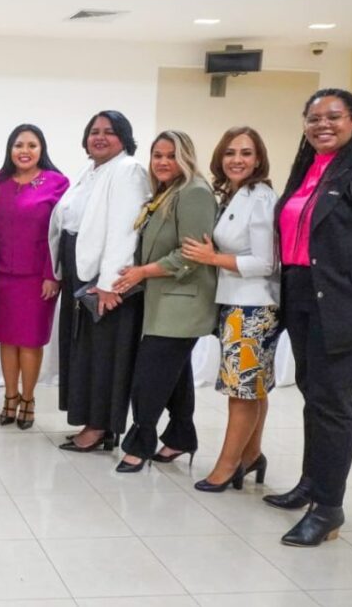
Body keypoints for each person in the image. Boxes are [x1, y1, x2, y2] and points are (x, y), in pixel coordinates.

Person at [266, 89, 352, 546]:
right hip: (305, 296)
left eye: (334, 117)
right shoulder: (309, 166)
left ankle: (328, 508)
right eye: (314, 118)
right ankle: (312, 483)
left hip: (348, 305)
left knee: (332, 404)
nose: (323, 124)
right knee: (313, 393)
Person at [181, 127, 280, 492]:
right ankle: (251, 456)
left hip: (253, 305)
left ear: (259, 159)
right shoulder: (233, 195)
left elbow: (265, 262)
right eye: (230, 153)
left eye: (246, 153)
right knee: (253, 388)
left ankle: (227, 466)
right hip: (235, 301)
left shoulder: (261, 197)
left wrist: (212, 258)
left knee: (241, 392)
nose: (237, 159)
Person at [112, 130, 218, 473]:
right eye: (157, 155)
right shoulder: (167, 193)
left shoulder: (195, 193)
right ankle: (181, 436)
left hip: (183, 300)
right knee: (175, 372)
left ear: (185, 157)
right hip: (163, 298)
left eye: (170, 155)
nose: (162, 162)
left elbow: (191, 256)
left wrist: (143, 271)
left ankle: (140, 442)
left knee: (151, 374)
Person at [50, 111, 150, 452]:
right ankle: (90, 418)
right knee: (83, 350)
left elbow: (126, 229)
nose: (100, 137)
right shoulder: (90, 170)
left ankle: (100, 426)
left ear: (124, 136)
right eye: (94, 131)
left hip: (104, 276)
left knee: (104, 352)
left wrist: (109, 283)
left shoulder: (128, 170)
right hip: (79, 265)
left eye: (109, 131)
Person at [0, 124, 69, 429]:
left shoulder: (57, 183)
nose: (25, 151)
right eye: (19, 145)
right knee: (6, 339)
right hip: (0, 275)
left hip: (37, 278)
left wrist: (53, 275)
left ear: (41, 150)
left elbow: (60, 234)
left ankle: (28, 398)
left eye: (32, 145)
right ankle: (9, 397)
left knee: (30, 341)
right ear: (10, 149)